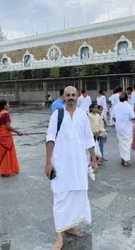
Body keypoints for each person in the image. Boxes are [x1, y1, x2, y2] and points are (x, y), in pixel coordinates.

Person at [45, 86, 97, 250]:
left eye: (74, 95)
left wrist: (94, 160)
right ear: (63, 97)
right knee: (60, 198)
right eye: (68, 95)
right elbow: (50, 138)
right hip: (61, 164)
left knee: (77, 196)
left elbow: (89, 138)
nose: (71, 97)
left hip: (79, 164)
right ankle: (58, 237)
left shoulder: (82, 114)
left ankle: (70, 227)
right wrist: (48, 162)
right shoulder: (57, 114)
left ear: (77, 97)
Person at [0, 100, 22, 177]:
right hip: (6, 136)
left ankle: (4, 170)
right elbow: (8, 126)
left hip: (0, 135)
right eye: (8, 104)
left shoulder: (0, 113)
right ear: (4, 106)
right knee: (8, 152)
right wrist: (17, 132)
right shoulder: (6, 114)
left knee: (3, 152)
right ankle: (7, 171)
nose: (9, 105)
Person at [112, 93, 135, 166]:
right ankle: (126, 160)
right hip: (127, 128)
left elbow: (113, 117)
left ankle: (122, 158)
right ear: (127, 98)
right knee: (127, 144)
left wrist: (119, 122)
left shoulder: (116, 107)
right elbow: (132, 117)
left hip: (119, 128)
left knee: (121, 143)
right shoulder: (129, 106)